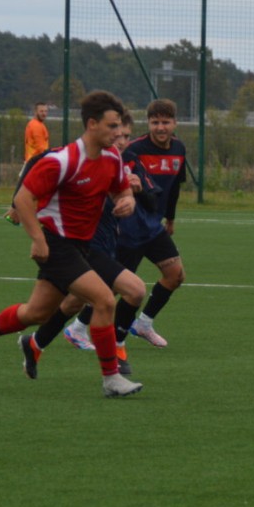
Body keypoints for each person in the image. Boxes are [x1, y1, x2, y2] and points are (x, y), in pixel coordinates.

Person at [0, 90, 143, 398]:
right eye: (112, 126)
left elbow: (121, 190)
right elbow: (23, 199)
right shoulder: (63, 161)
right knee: (105, 301)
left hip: (81, 247)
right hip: (57, 245)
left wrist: (127, 201)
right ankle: (111, 378)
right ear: (92, 124)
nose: (118, 133)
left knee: (37, 313)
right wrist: (38, 239)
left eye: (119, 127)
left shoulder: (112, 158)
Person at [21, 110, 159, 378]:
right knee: (133, 290)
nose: (121, 140)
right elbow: (38, 162)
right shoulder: (82, 158)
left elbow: (152, 203)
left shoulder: (127, 162)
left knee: (71, 303)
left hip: (108, 244)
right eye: (116, 133)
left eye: (126, 136)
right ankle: (115, 358)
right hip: (83, 246)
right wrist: (19, 202)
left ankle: (36, 343)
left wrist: (133, 194)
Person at [110, 98, 188, 348]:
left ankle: (143, 323)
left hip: (154, 226)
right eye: (155, 122)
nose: (161, 127)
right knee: (114, 286)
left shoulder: (179, 149)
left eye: (166, 122)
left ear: (175, 123)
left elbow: (174, 188)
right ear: (148, 123)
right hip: (129, 228)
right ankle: (78, 327)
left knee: (175, 275)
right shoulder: (133, 149)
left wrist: (171, 218)